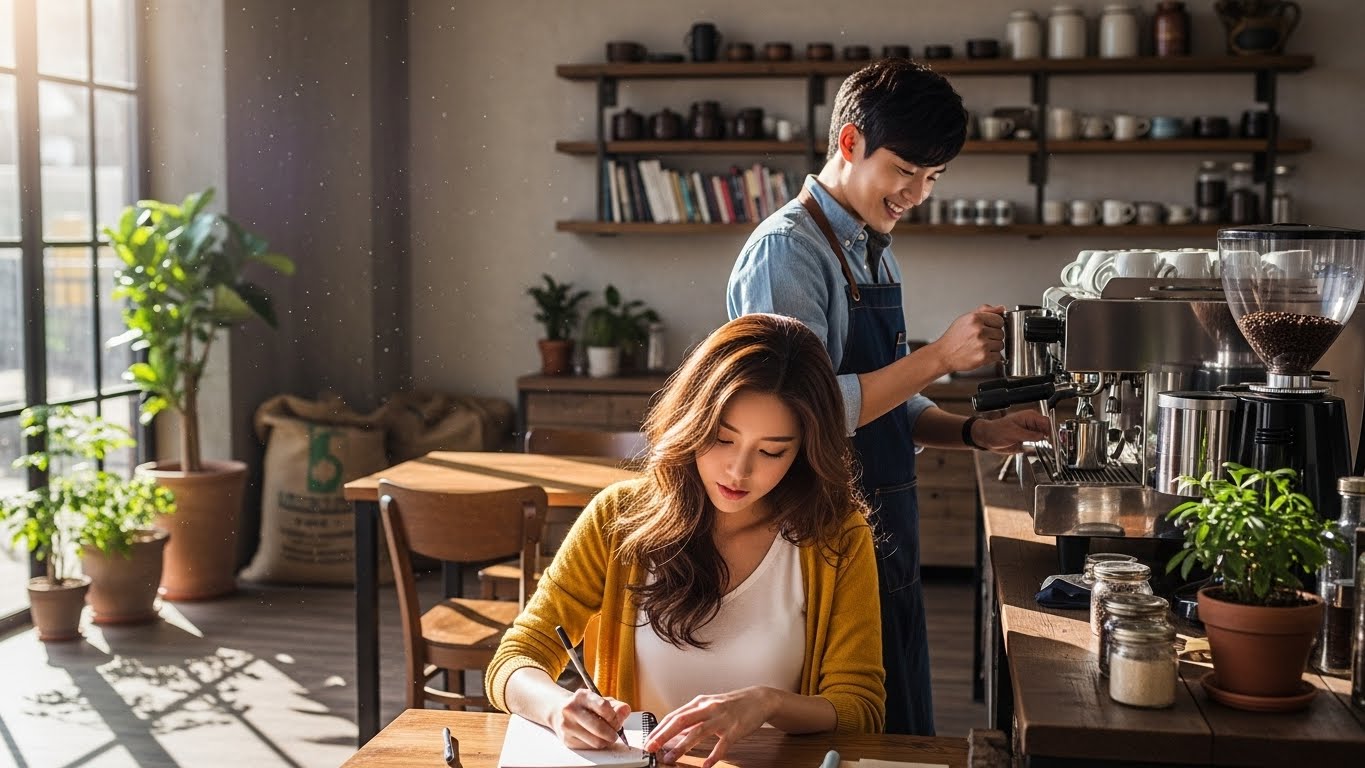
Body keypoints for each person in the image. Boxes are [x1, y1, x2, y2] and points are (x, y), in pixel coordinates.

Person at [726, 58, 1051, 736]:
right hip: (817, 530)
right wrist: (937, 358)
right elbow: (793, 413)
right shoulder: (788, 252)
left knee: (896, 721)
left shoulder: (872, 247)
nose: (916, 194)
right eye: (904, 172)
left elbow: (882, 397)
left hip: (883, 522)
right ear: (849, 143)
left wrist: (970, 432)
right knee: (844, 727)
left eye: (931, 178)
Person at [486, 313, 885, 767]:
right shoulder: (618, 518)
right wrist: (558, 707)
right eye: (721, 438)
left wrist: (768, 704)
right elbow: (516, 658)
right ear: (692, 421)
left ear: (803, 452)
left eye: (772, 451)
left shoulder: (836, 537)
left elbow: (862, 710)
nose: (739, 471)